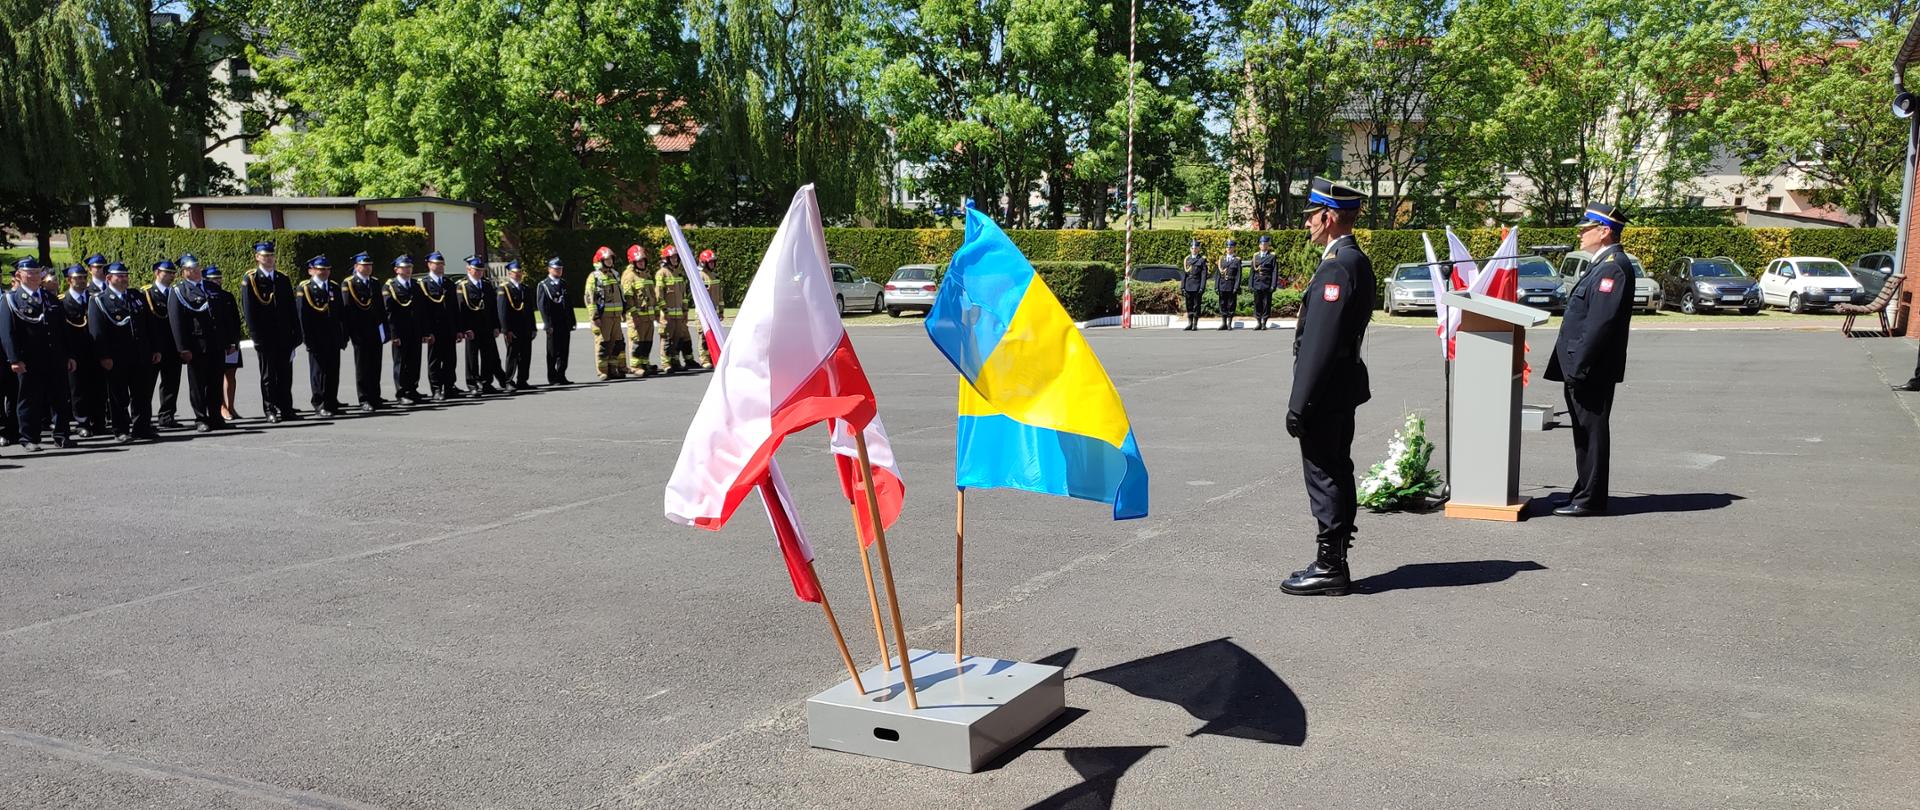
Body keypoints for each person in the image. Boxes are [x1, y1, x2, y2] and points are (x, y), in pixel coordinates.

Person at [1281, 177, 1375, 597]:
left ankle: (1330, 566)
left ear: (1329, 216)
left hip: (1325, 392)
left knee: (1325, 474)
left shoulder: (1338, 264)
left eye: (1311, 216)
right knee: (1337, 469)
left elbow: (1320, 343)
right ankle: (1333, 558)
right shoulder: (1353, 259)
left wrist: (1299, 405)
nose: (1306, 225)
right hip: (1339, 388)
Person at [1545, 203, 1635, 517]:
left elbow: (1600, 323)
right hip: (1583, 366)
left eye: (1586, 228)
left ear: (1604, 231)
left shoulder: (1613, 266)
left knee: (1592, 432)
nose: (1581, 233)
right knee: (1583, 432)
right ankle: (1583, 490)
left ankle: (1591, 499)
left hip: (1591, 368)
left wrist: (1579, 366)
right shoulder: (1603, 264)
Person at [1, 258, 75, 451]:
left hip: (54, 357)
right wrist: (14, 359)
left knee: (59, 398)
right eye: (30, 273)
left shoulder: (50, 298)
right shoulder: (11, 299)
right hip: (30, 359)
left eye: (37, 272)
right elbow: (7, 332)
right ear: (19, 275)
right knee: (29, 400)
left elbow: (62, 329)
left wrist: (69, 355)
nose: (35, 276)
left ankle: (61, 435)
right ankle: (29, 437)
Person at [88, 262, 158, 443]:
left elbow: (149, 325)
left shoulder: (136, 296)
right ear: (109, 278)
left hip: (140, 354)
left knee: (142, 394)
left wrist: (155, 348)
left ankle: (142, 427)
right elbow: (97, 332)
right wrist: (103, 356)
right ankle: (120, 429)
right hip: (116, 357)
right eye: (120, 276)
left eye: (126, 275)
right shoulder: (99, 300)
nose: (124, 278)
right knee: (119, 396)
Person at [242, 241, 301, 421]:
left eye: (271, 255)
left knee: (285, 374)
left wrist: (296, 332)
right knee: (268, 375)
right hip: (265, 336)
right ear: (257, 257)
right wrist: (255, 336)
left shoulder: (282, 278)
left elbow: (291, 308)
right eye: (265, 255)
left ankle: (286, 408)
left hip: (283, 335)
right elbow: (249, 309)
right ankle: (270, 409)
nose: (269, 259)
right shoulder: (251, 279)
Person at [170, 258, 229, 433]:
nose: (196, 271)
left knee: (215, 382)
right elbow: (176, 322)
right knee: (197, 385)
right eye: (191, 268)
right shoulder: (179, 291)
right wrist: (182, 348)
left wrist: (228, 340)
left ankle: (216, 417)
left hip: (216, 344)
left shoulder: (212, 288)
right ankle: (201, 418)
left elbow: (223, 317)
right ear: (184, 272)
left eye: (197, 267)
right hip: (196, 346)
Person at [296, 255, 348, 417]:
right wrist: (306, 338)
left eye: (326, 269)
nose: (324, 272)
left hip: (333, 336)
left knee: (333, 370)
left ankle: (332, 402)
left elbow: (341, 314)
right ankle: (320, 403)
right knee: (318, 372)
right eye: (320, 269)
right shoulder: (305, 288)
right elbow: (302, 316)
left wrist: (343, 335)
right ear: (311, 270)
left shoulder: (333, 286)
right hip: (316, 337)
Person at [60, 264, 106, 438]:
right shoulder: (62, 302)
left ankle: (99, 422)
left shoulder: (94, 298)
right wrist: (67, 354)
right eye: (77, 278)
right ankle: (82, 423)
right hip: (75, 352)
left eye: (82, 277)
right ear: (69, 280)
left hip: (93, 350)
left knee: (98, 388)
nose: (81, 281)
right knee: (77, 389)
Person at [342, 252, 389, 412]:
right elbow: (347, 310)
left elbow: (381, 309)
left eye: (370, 265)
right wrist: (349, 332)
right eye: (364, 265)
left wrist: (384, 329)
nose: (368, 268)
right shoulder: (349, 284)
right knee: (363, 366)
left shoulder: (374, 283)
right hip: (359, 331)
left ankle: (375, 396)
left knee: (376, 365)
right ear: (356, 267)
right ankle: (364, 398)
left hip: (375, 329)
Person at [456, 256, 507, 396]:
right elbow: (460, 310)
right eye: (476, 270)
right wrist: (464, 328)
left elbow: (493, 308)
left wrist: (496, 326)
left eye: (481, 270)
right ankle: (472, 383)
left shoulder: (486, 285)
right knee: (472, 357)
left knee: (488, 355)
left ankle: (486, 382)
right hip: (472, 328)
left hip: (487, 326)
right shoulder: (463, 286)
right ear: (468, 269)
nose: (479, 272)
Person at [384, 255, 430, 403]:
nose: (408, 270)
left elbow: (422, 310)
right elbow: (389, 312)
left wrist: (424, 331)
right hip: (400, 331)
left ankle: (412, 389)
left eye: (410, 267)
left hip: (415, 330)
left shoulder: (416, 285)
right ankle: (401, 393)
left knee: (414, 361)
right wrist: (393, 334)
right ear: (396, 269)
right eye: (405, 267)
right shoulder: (390, 286)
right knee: (401, 362)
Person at [144, 259, 185, 429]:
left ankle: (167, 416)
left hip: (173, 346)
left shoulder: (176, 292)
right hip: (155, 346)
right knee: (147, 386)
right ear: (157, 273)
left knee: (171, 383)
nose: (171, 276)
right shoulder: (146, 293)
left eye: (173, 273)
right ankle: (143, 418)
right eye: (167, 272)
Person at [202, 264, 245, 421]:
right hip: (216, 345)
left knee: (231, 374)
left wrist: (234, 342)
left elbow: (235, 321)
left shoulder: (227, 296)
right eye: (213, 279)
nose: (217, 282)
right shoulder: (204, 298)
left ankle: (231, 406)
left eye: (219, 279)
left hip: (231, 343)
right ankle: (221, 407)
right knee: (217, 376)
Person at [420, 251, 463, 399]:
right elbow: (423, 311)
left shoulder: (448, 283)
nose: (440, 267)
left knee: (450, 359)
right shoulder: (424, 284)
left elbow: (455, 309)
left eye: (442, 264)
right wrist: (427, 331)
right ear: (429, 265)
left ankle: (449, 386)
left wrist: (458, 329)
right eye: (437, 264)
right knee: (435, 361)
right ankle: (436, 388)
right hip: (434, 329)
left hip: (449, 328)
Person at [585, 246, 627, 380]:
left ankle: (613, 368)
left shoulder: (615, 274)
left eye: (610, 259)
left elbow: (621, 293)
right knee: (603, 343)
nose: (609, 261)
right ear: (600, 261)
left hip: (616, 316)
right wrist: (595, 316)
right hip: (603, 317)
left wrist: (624, 310)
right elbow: (589, 297)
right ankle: (602, 371)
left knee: (616, 344)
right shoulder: (594, 277)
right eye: (606, 259)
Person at [496, 260, 537, 390]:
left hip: (525, 327)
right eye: (516, 272)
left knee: (526, 355)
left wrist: (533, 327)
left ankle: (522, 380)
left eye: (520, 272)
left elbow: (530, 310)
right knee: (513, 355)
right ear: (509, 273)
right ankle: (508, 381)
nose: (518, 274)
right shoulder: (504, 289)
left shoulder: (525, 288)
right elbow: (502, 311)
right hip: (513, 328)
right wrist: (506, 329)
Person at [656, 246, 698, 372]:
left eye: (676, 257)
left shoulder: (679, 273)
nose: (675, 260)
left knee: (678, 339)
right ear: (667, 259)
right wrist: (664, 310)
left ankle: (675, 361)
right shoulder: (661, 273)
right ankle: (666, 363)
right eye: (672, 257)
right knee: (667, 339)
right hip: (667, 314)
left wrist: (685, 310)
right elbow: (659, 294)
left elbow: (684, 295)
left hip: (679, 314)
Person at [620, 245, 659, 376]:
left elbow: (653, 295)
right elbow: (628, 297)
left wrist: (656, 311)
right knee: (637, 341)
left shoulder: (647, 274)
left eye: (643, 260)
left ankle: (644, 363)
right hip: (637, 317)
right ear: (633, 261)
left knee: (647, 341)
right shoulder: (629, 276)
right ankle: (635, 366)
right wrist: (634, 314)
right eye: (639, 261)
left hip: (648, 316)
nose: (642, 262)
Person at [537, 257, 574, 385]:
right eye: (556, 269)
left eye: (560, 269)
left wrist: (572, 321)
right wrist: (547, 324)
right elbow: (542, 306)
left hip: (564, 322)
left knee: (564, 351)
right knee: (553, 352)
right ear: (549, 269)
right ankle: (552, 377)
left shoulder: (563, 283)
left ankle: (561, 375)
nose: (558, 271)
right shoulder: (544, 285)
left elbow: (569, 304)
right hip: (553, 323)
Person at [695, 249, 722, 366]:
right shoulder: (700, 276)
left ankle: (712, 356)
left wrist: (721, 310)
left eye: (713, 262)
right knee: (703, 336)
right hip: (703, 313)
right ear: (703, 263)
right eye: (709, 262)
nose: (712, 264)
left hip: (714, 314)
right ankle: (704, 359)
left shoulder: (715, 276)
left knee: (714, 336)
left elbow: (719, 296)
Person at [1249, 235, 1280, 330]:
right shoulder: (1255, 256)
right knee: (1257, 303)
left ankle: (1264, 322)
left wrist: (1273, 285)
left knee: (1266, 303)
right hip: (1257, 282)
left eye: (1266, 244)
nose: (1264, 246)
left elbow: (1274, 271)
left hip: (1267, 283)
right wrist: (1250, 284)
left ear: (1268, 245)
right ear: (1259, 245)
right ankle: (1258, 322)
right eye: (1262, 244)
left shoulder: (1272, 256)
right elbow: (1252, 272)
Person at [1215, 239, 1243, 331]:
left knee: (1231, 304)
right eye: (1227, 247)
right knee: (1222, 304)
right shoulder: (1221, 260)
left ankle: (1229, 323)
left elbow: (1238, 275)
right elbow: (1218, 274)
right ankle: (1223, 323)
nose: (1228, 249)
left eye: (1230, 247)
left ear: (1234, 248)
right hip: (1222, 284)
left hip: (1231, 284)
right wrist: (1216, 286)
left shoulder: (1237, 260)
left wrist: (1236, 286)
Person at [1181, 241, 1207, 331]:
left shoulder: (1202, 260)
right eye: (1192, 248)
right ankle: (1189, 323)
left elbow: (1204, 275)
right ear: (1190, 249)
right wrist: (1182, 286)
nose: (1194, 250)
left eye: (1196, 248)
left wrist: (1202, 287)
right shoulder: (1187, 259)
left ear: (1199, 249)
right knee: (1189, 305)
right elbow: (1184, 274)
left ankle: (1195, 324)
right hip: (1188, 285)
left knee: (1196, 305)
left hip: (1197, 285)